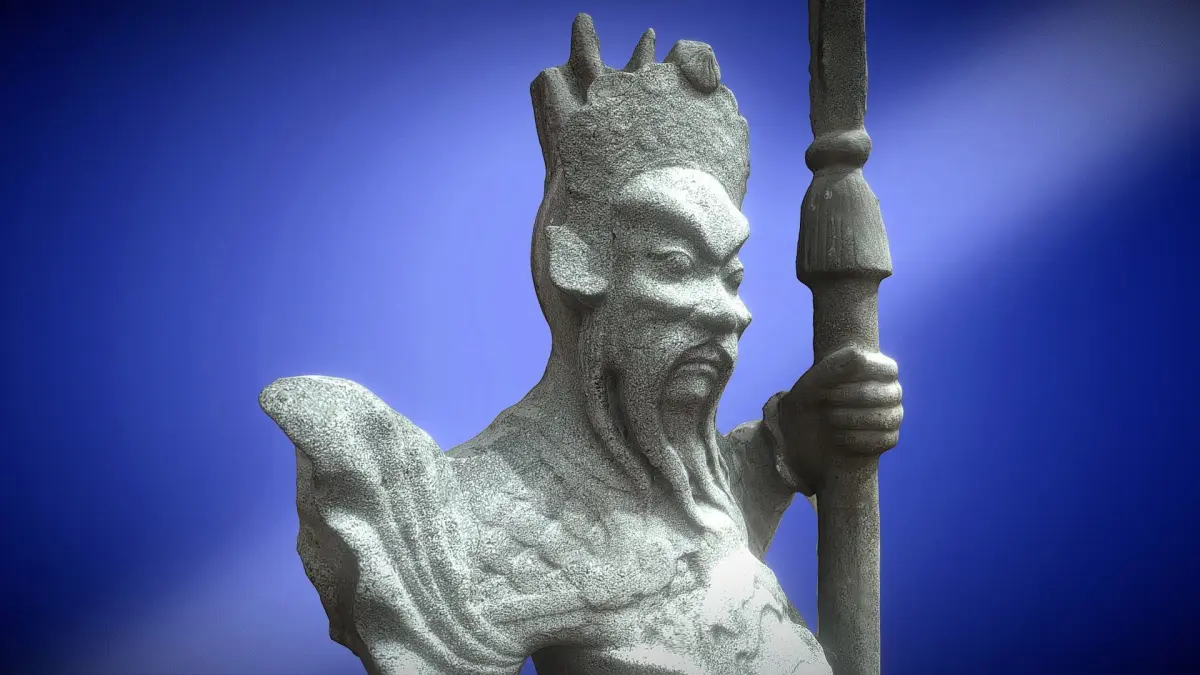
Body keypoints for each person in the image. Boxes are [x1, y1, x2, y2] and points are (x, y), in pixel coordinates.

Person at [260, 14, 902, 675]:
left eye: (731, 275)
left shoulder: (691, 479)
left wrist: (791, 445)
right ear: (577, 262)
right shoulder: (482, 519)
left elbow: (702, 532)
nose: (730, 311)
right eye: (677, 264)